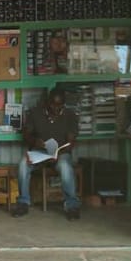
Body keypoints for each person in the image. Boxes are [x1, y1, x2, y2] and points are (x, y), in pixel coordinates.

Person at [12, 88, 81, 220]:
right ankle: (23, 203)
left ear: (63, 104)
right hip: (39, 152)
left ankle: (72, 206)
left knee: (65, 167)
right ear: (47, 102)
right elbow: (26, 134)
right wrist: (34, 141)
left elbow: (71, 142)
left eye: (59, 105)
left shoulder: (70, 115)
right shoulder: (35, 113)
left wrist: (59, 152)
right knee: (23, 164)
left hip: (60, 153)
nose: (56, 108)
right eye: (53, 105)